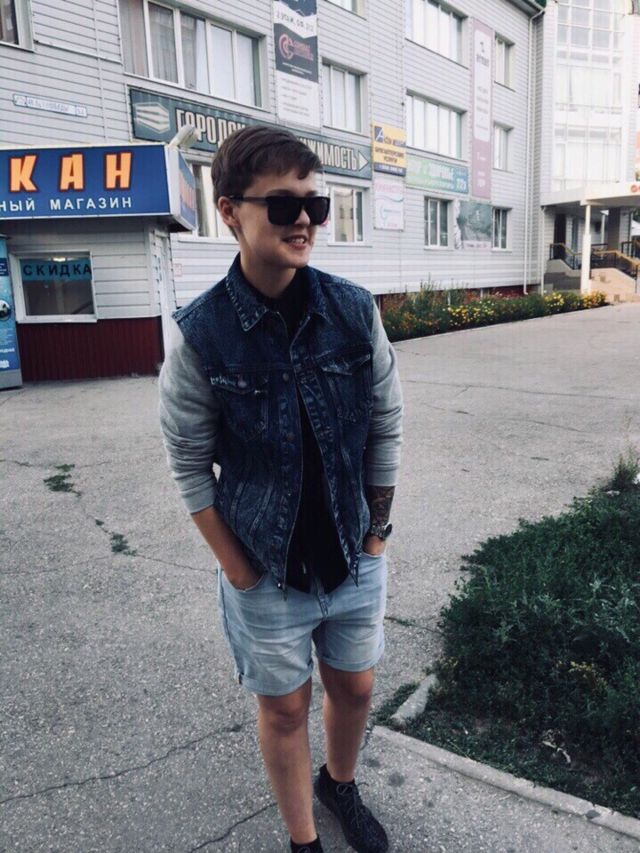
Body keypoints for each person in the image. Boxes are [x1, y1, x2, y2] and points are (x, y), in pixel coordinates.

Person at [159, 125, 403, 853]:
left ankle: (340, 784)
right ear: (229, 211)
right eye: (283, 205)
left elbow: (385, 427)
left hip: (353, 554)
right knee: (287, 709)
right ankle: (304, 840)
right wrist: (239, 569)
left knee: (355, 688)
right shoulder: (202, 335)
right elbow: (188, 465)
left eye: (315, 205)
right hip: (265, 567)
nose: (304, 220)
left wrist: (376, 535)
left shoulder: (353, 311)